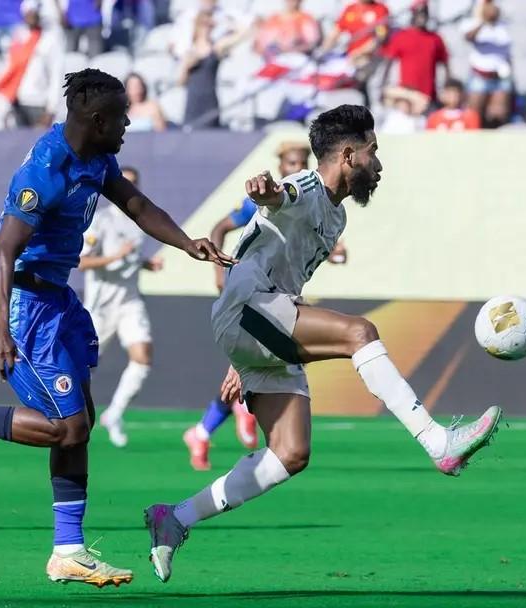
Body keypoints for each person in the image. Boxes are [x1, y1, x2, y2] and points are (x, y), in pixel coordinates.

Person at [144, 105, 502, 583]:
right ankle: (438, 442)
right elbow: (279, 195)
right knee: (360, 333)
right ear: (349, 155)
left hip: (261, 321)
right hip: (249, 307)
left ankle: (175, 518)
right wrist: (266, 191)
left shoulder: (337, 217)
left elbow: (284, 275)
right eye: (373, 151)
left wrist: (244, 354)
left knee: (291, 454)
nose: (379, 164)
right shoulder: (307, 187)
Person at [0, 69, 234, 587]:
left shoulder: (97, 157)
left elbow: (137, 205)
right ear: (97, 119)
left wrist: (188, 243)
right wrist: (0, 332)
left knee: (82, 421)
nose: (127, 125)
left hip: (56, 299)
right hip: (21, 304)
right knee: (67, 427)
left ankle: (68, 550)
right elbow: (5, 251)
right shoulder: (46, 168)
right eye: (121, 117)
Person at [183, 141, 341, 471]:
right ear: (280, 166)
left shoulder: (310, 201)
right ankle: (221, 421)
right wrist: (219, 272)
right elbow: (220, 228)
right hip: (250, 293)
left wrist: (334, 250)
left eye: (301, 162)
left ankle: (204, 430)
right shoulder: (266, 200)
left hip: (278, 295)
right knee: (249, 367)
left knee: (246, 369)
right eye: (291, 163)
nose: (296, 167)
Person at [78, 166, 164, 447]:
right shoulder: (101, 220)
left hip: (129, 300)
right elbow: (81, 261)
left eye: (134, 183)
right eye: (125, 182)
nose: (129, 188)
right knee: (84, 365)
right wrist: (116, 256)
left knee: (143, 356)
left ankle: (114, 414)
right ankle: (69, 413)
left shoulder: (139, 221)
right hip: (101, 304)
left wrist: (147, 264)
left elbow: (131, 257)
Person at [179, 10, 245, 128]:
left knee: (210, 131)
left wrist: (226, 22)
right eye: (203, 24)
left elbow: (243, 33)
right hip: (193, 100)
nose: (207, 28)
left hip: (209, 98)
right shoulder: (190, 51)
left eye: (210, 25)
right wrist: (187, 67)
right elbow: (180, 82)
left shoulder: (216, 47)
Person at [380, 1, 449, 107]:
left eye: (425, 13)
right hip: (406, 96)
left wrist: (447, 89)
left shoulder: (435, 38)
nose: (423, 16)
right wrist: (383, 86)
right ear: (413, 14)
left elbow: (445, 65)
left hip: (428, 96)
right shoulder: (402, 36)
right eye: (420, 12)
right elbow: (388, 62)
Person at [461, 0, 512, 127]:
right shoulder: (472, 23)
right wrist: (483, 21)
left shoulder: (503, 26)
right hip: (480, 75)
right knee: (474, 114)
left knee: (498, 115)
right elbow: (468, 37)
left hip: (500, 77)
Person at [253, 0, 320, 57]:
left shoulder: (306, 19)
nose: (291, 1)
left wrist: (288, 50)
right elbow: (260, 43)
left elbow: (311, 44)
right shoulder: (274, 18)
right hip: (270, 59)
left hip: (293, 59)